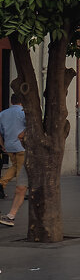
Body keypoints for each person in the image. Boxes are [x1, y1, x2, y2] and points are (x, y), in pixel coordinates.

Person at [0, 92, 28, 225]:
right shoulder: (23, 112)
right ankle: (20, 188)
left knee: (15, 166)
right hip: (21, 147)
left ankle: (2, 182)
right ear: (22, 102)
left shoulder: (3, 114)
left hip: (9, 145)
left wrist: (3, 145)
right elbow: (30, 127)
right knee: (21, 171)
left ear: (11, 101)